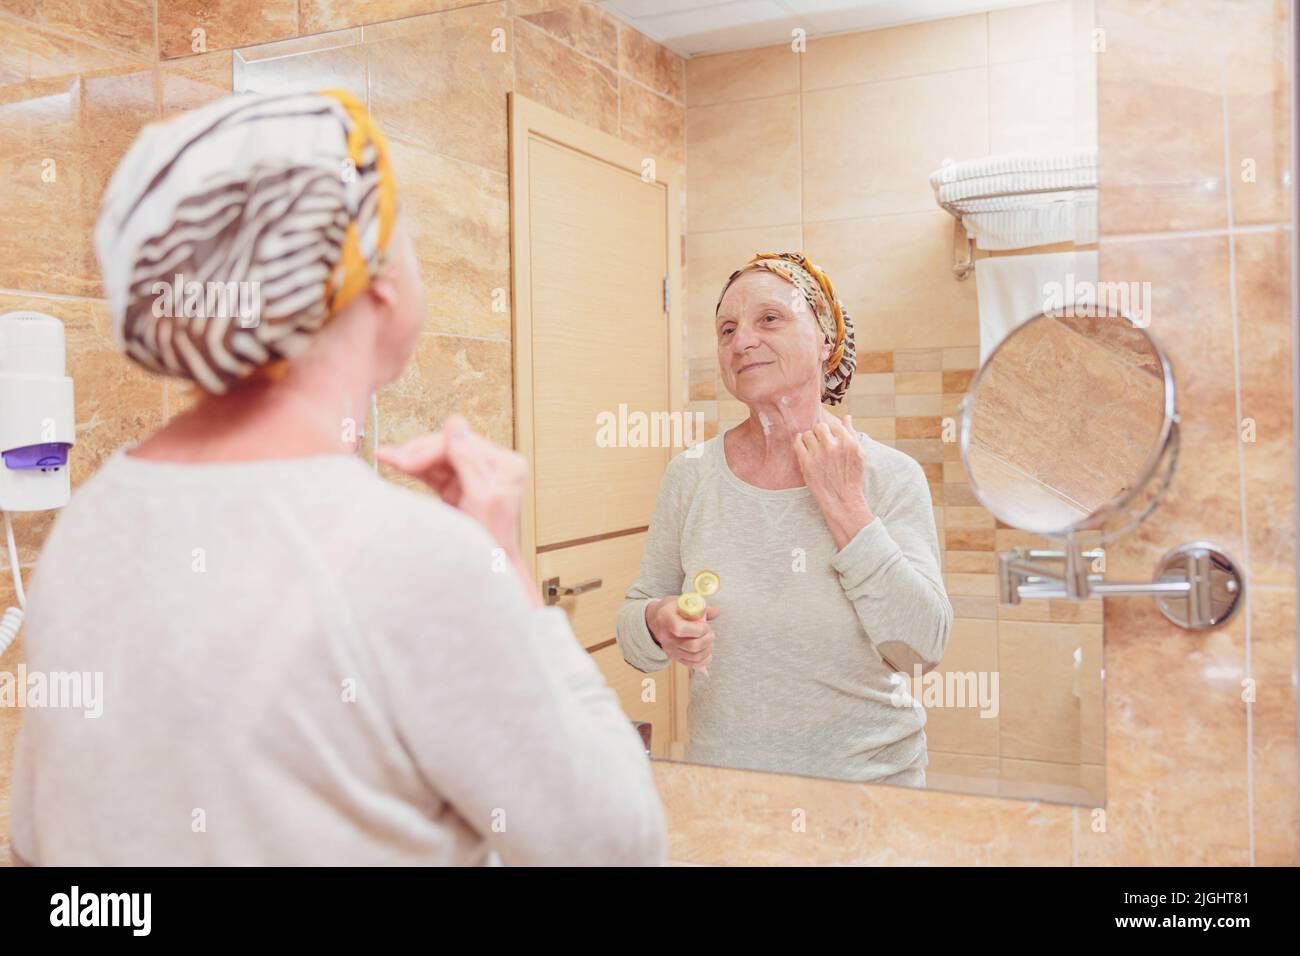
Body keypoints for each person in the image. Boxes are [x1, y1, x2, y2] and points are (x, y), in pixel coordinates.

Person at [9, 90, 666, 866]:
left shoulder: (88, 524)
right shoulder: (418, 559)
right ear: (376, 277)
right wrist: (504, 565)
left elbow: (37, 845)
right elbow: (614, 847)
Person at [615, 252, 953, 785]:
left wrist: (847, 506)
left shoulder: (889, 475)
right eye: (727, 328)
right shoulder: (691, 475)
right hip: (727, 793)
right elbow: (634, 632)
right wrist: (659, 623)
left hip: (871, 790)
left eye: (769, 319)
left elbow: (920, 650)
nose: (741, 341)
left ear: (826, 340)